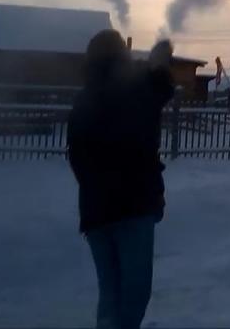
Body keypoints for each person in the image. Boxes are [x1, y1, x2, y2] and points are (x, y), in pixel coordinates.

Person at [68, 30, 175, 329]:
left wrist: (93, 187)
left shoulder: (84, 99)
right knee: (135, 293)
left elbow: (75, 156)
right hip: (133, 208)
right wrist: (159, 59)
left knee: (110, 291)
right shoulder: (135, 88)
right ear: (121, 57)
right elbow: (162, 88)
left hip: (96, 212)